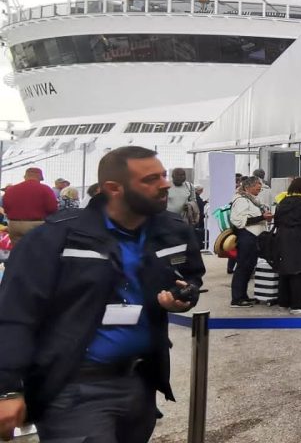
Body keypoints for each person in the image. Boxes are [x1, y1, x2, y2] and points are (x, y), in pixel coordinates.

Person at [0, 146, 204, 442]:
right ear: (113, 188)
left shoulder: (172, 231)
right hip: (73, 389)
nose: (163, 184)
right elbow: (15, 314)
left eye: (162, 175)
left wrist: (183, 295)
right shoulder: (54, 239)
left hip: (140, 384)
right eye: (149, 179)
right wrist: (7, 388)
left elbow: (189, 277)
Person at [274, 177, 301, 314]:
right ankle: (297, 304)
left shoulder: (283, 201)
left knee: (285, 272)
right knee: (300, 272)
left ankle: (284, 301)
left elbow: (277, 221)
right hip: (298, 239)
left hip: (282, 238)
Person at [229, 176, 272, 308]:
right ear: (248, 187)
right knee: (243, 267)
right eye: (257, 187)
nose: (259, 190)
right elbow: (238, 220)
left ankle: (243, 296)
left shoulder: (252, 200)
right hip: (246, 237)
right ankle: (236, 299)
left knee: (248, 268)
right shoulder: (241, 200)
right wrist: (261, 217)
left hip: (253, 238)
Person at [3, 167, 58, 246]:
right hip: (35, 225)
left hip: (14, 225)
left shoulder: (11, 190)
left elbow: (6, 209)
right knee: (35, 250)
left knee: (17, 251)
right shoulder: (45, 189)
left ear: (25, 176)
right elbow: (52, 208)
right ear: (39, 177)